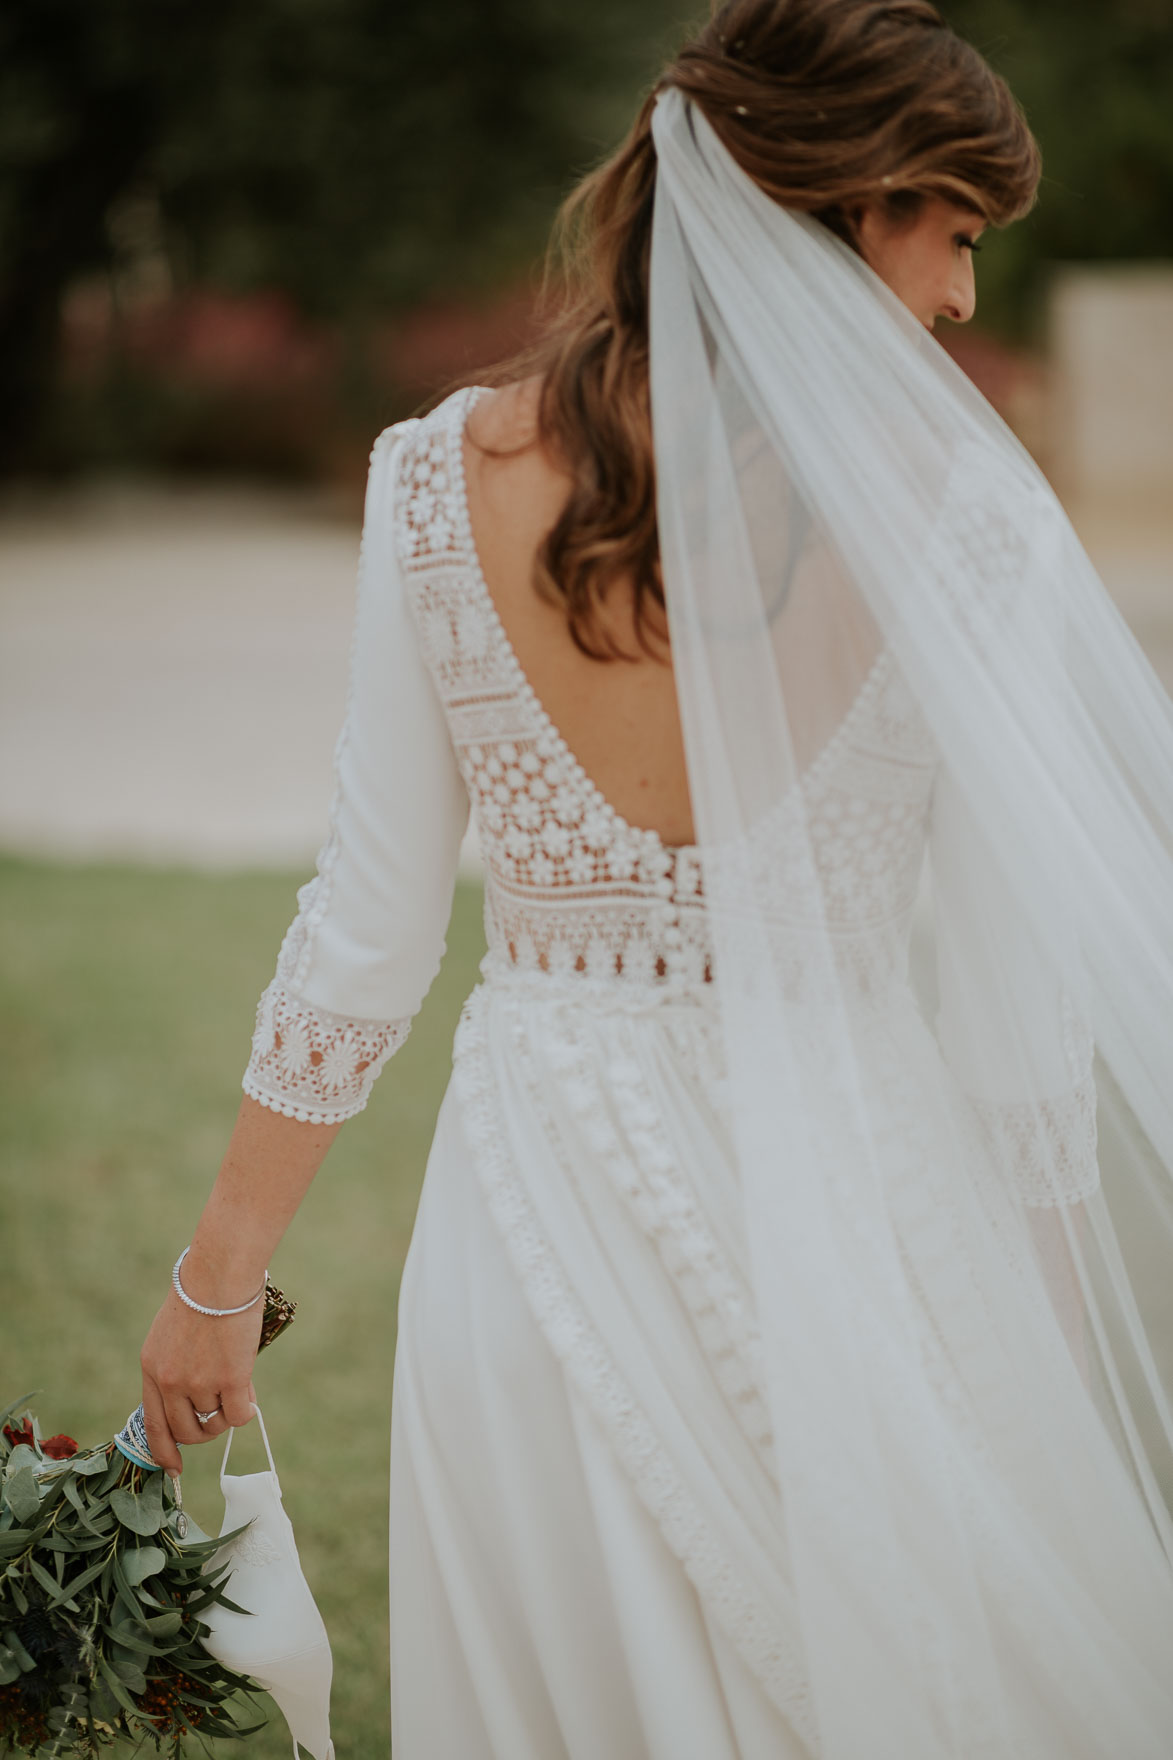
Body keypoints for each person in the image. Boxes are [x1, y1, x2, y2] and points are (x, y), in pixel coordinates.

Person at [140, 2, 1173, 1755]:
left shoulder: (434, 484)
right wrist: (1037, 1366)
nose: (962, 300)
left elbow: (366, 941)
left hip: (539, 1229)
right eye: (958, 234)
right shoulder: (972, 517)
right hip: (876, 1229)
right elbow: (1014, 1031)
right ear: (853, 205)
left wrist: (216, 1280)